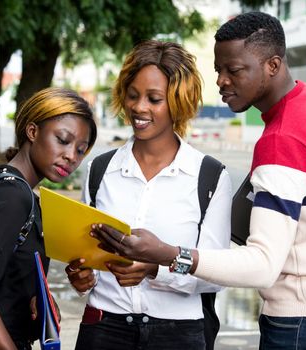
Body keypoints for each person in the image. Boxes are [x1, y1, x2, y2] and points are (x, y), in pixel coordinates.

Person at [92, 12, 306, 349]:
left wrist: (168, 253)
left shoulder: (280, 142)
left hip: (303, 317)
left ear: (272, 65)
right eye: (219, 71)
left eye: (235, 70)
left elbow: (263, 267)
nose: (222, 81)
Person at [65, 40, 232, 350]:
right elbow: (85, 254)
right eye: (133, 95)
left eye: (154, 99)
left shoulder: (209, 177)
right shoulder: (101, 169)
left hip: (178, 334)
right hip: (103, 327)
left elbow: (216, 274)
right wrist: (81, 275)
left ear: (179, 102)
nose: (139, 108)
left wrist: (156, 270)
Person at [0, 87, 97, 349]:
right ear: (32, 131)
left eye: (81, 150)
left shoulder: (13, 190)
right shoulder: (12, 196)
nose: (72, 156)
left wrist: (40, 300)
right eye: (62, 140)